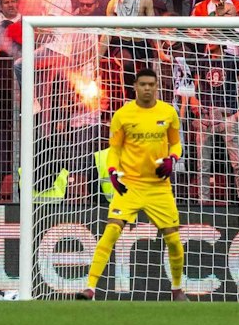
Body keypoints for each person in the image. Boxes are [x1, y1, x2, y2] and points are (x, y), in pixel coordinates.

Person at [79, 66, 186, 300]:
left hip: (158, 188)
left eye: (151, 84)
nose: (147, 88)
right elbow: (114, 149)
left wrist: (173, 159)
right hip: (130, 185)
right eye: (143, 84)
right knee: (111, 231)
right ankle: (90, 287)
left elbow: (176, 144)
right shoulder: (123, 115)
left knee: (174, 241)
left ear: (157, 87)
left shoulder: (168, 113)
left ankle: (177, 288)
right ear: (135, 87)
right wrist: (112, 171)